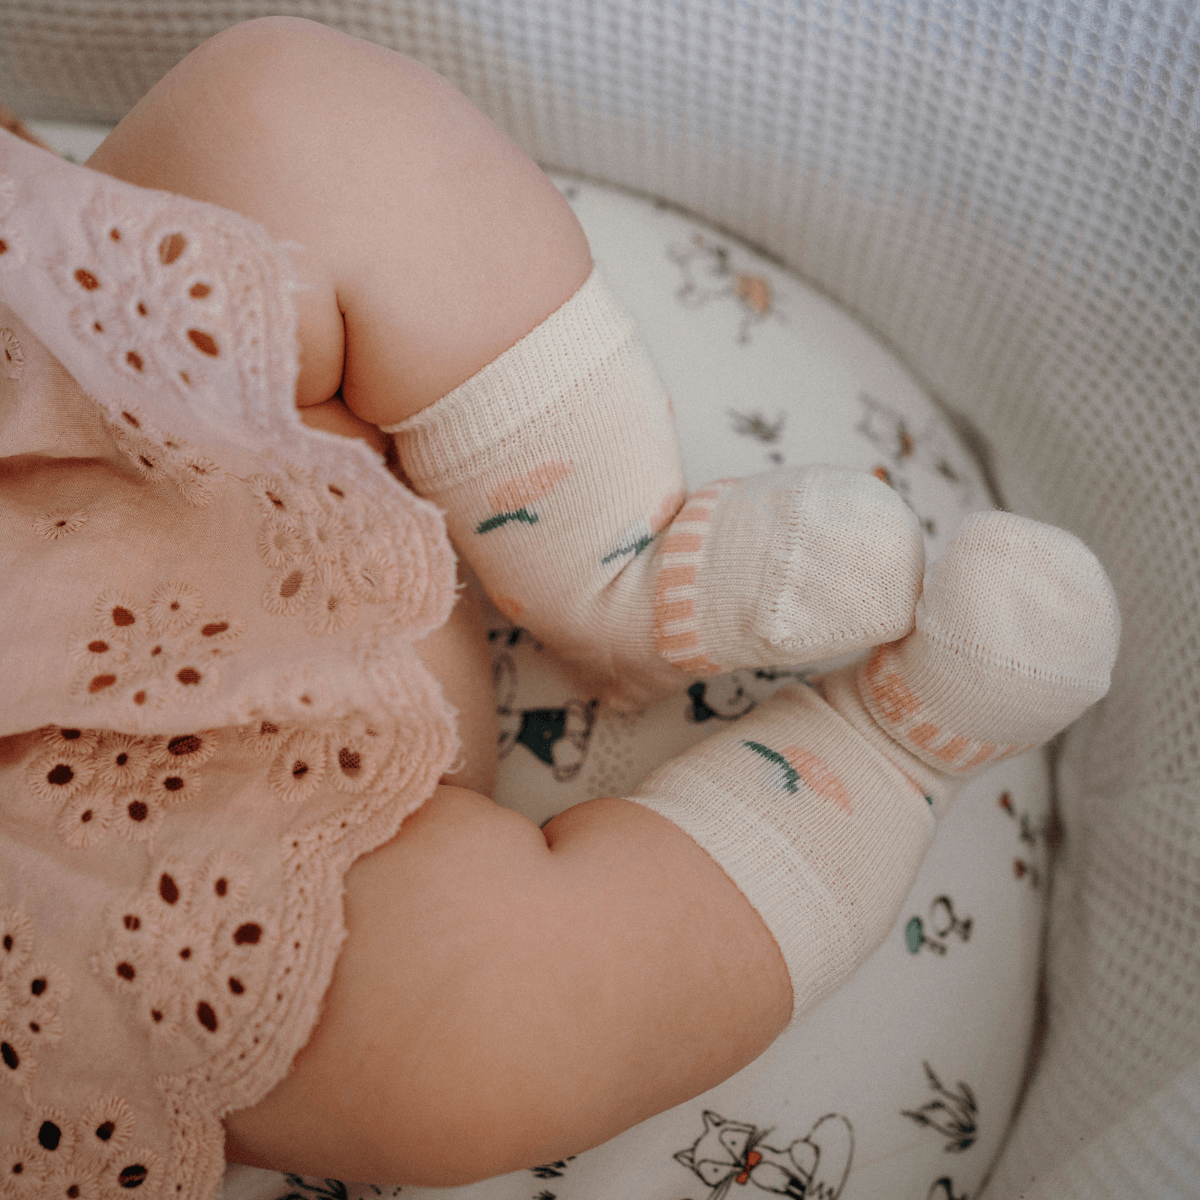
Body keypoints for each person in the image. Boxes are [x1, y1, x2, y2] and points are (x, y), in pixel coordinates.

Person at [0, 16, 1118, 1195]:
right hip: (127, 890)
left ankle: (618, 569)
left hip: (109, 419)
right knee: (464, 1039)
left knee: (284, 121)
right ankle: (886, 750)